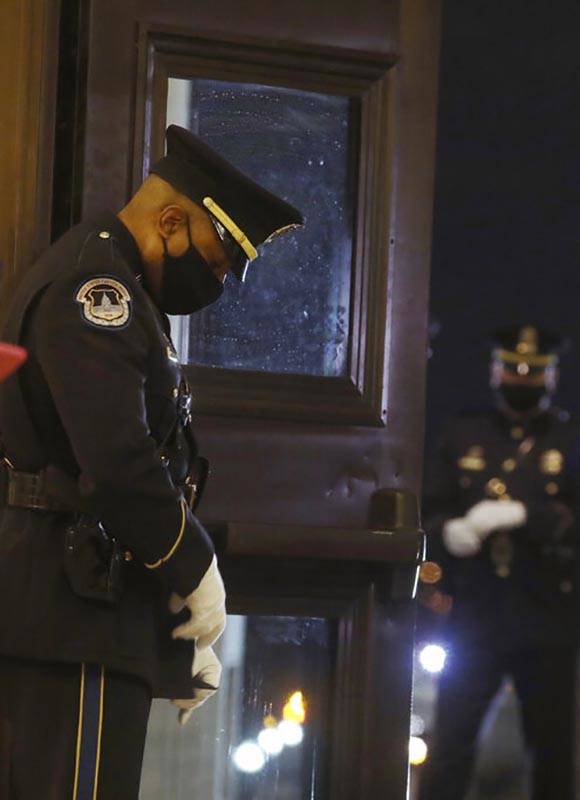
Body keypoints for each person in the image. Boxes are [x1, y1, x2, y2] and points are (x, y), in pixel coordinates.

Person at [0, 124, 302, 798]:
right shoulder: (96, 288)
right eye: (218, 260)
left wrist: (174, 605)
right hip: (66, 614)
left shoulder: (123, 284)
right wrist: (196, 574)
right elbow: (116, 459)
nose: (216, 281)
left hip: (86, 604)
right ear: (171, 219)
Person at [419, 324, 580, 800]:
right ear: (495, 371)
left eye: (534, 373)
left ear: (550, 379)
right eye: (512, 369)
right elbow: (429, 508)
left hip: (548, 614)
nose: (522, 380)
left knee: (553, 755)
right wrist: (448, 531)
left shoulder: (577, 438)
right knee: (449, 748)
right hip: (474, 611)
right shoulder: (462, 432)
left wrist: (525, 515)